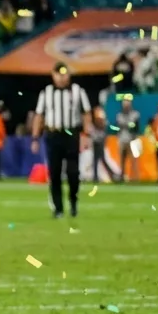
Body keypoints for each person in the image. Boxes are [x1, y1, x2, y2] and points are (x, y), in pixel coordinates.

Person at [32, 63, 93, 217]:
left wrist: (86, 135)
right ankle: (58, 209)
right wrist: (35, 137)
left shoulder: (78, 91)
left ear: (69, 75)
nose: (61, 77)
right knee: (55, 173)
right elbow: (39, 115)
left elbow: (86, 114)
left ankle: (73, 203)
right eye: (58, 74)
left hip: (71, 134)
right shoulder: (46, 92)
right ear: (53, 75)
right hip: (53, 134)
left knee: (73, 172)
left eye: (64, 74)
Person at [113, 97, 143, 183]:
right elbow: (116, 128)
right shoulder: (119, 115)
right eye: (124, 104)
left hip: (132, 140)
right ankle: (122, 177)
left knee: (134, 160)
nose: (126, 106)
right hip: (122, 139)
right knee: (122, 160)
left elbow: (136, 128)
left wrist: (130, 127)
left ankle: (135, 178)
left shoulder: (135, 114)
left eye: (127, 104)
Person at [86, 106, 115, 184]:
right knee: (97, 160)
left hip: (99, 141)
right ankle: (96, 177)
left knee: (101, 159)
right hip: (96, 141)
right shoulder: (95, 121)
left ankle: (112, 174)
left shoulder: (101, 121)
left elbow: (103, 129)